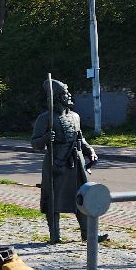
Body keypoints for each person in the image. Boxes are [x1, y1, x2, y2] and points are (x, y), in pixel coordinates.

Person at [31, 79, 100, 243]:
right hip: (56, 163)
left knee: (83, 196)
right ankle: (55, 236)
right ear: (56, 97)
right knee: (53, 199)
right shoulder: (45, 118)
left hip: (76, 163)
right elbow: (35, 143)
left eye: (68, 93)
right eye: (64, 93)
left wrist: (90, 150)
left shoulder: (75, 116)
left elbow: (80, 139)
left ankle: (88, 234)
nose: (68, 96)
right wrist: (46, 138)